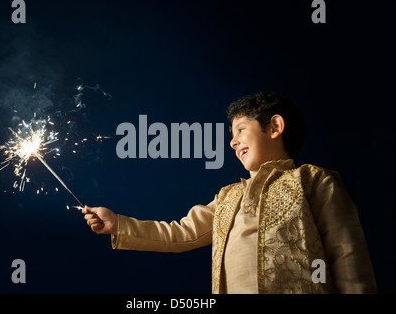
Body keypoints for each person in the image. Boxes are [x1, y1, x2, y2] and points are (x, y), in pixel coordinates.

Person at [82, 92, 377, 294]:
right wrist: (118, 224)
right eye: (231, 136)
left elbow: (346, 254)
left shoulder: (313, 181)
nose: (233, 143)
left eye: (240, 130)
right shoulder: (227, 197)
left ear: (275, 126)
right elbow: (180, 233)